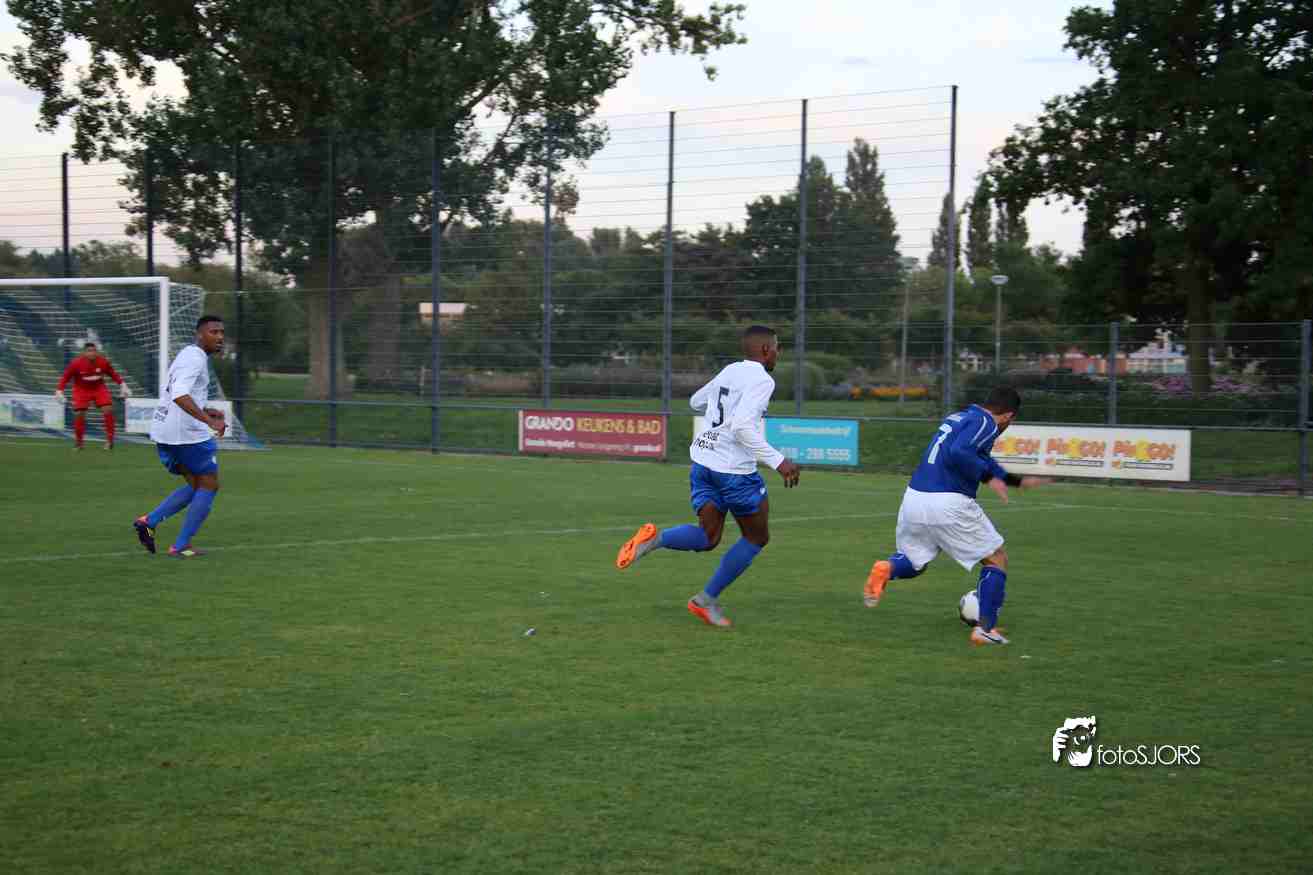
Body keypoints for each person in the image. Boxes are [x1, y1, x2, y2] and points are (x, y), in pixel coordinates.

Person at [614, 325, 802, 627]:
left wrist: (719, 413)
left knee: (708, 537)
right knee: (756, 537)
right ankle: (704, 600)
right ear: (766, 350)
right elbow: (741, 427)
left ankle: (653, 540)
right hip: (734, 473)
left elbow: (696, 402)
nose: (778, 353)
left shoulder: (730, 371)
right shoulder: (762, 380)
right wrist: (778, 461)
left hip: (703, 463)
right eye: (777, 347)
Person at [862, 385, 1050, 646]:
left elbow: (979, 457)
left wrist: (1012, 481)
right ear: (1008, 416)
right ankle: (985, 630)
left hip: (915, 497)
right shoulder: (987, 423)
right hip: (948, 501)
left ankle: (886, 569)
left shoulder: (961, 417)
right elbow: (959, 452)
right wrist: (989, 478)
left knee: (914, 562)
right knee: (996, 559)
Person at [133, 315, 228, 558]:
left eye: (221, 332)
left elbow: (180, 393)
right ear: (200, 334)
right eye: (213, 332)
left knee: (197, 485)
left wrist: (206, 410)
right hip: (185, 434)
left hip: (165, 431)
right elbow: (179, 394)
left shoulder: (187, 354)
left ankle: (148, 521)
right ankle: (181, 545)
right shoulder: (195, 358)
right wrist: (208, 420)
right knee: (209, 484)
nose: (219, 337)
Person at [54, 341, 131, 449]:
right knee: (80, 413)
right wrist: (59, 391)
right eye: (89, 351)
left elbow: (113, 374)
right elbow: (65, 377)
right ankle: (79, 443)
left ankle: (110, 441)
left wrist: (122, 385)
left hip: (98, 388)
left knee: (108, 409)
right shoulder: (76, 363)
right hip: (81, 389)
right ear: (84, 353)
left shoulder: (103, 362)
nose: (92, 353)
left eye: (94, 351)